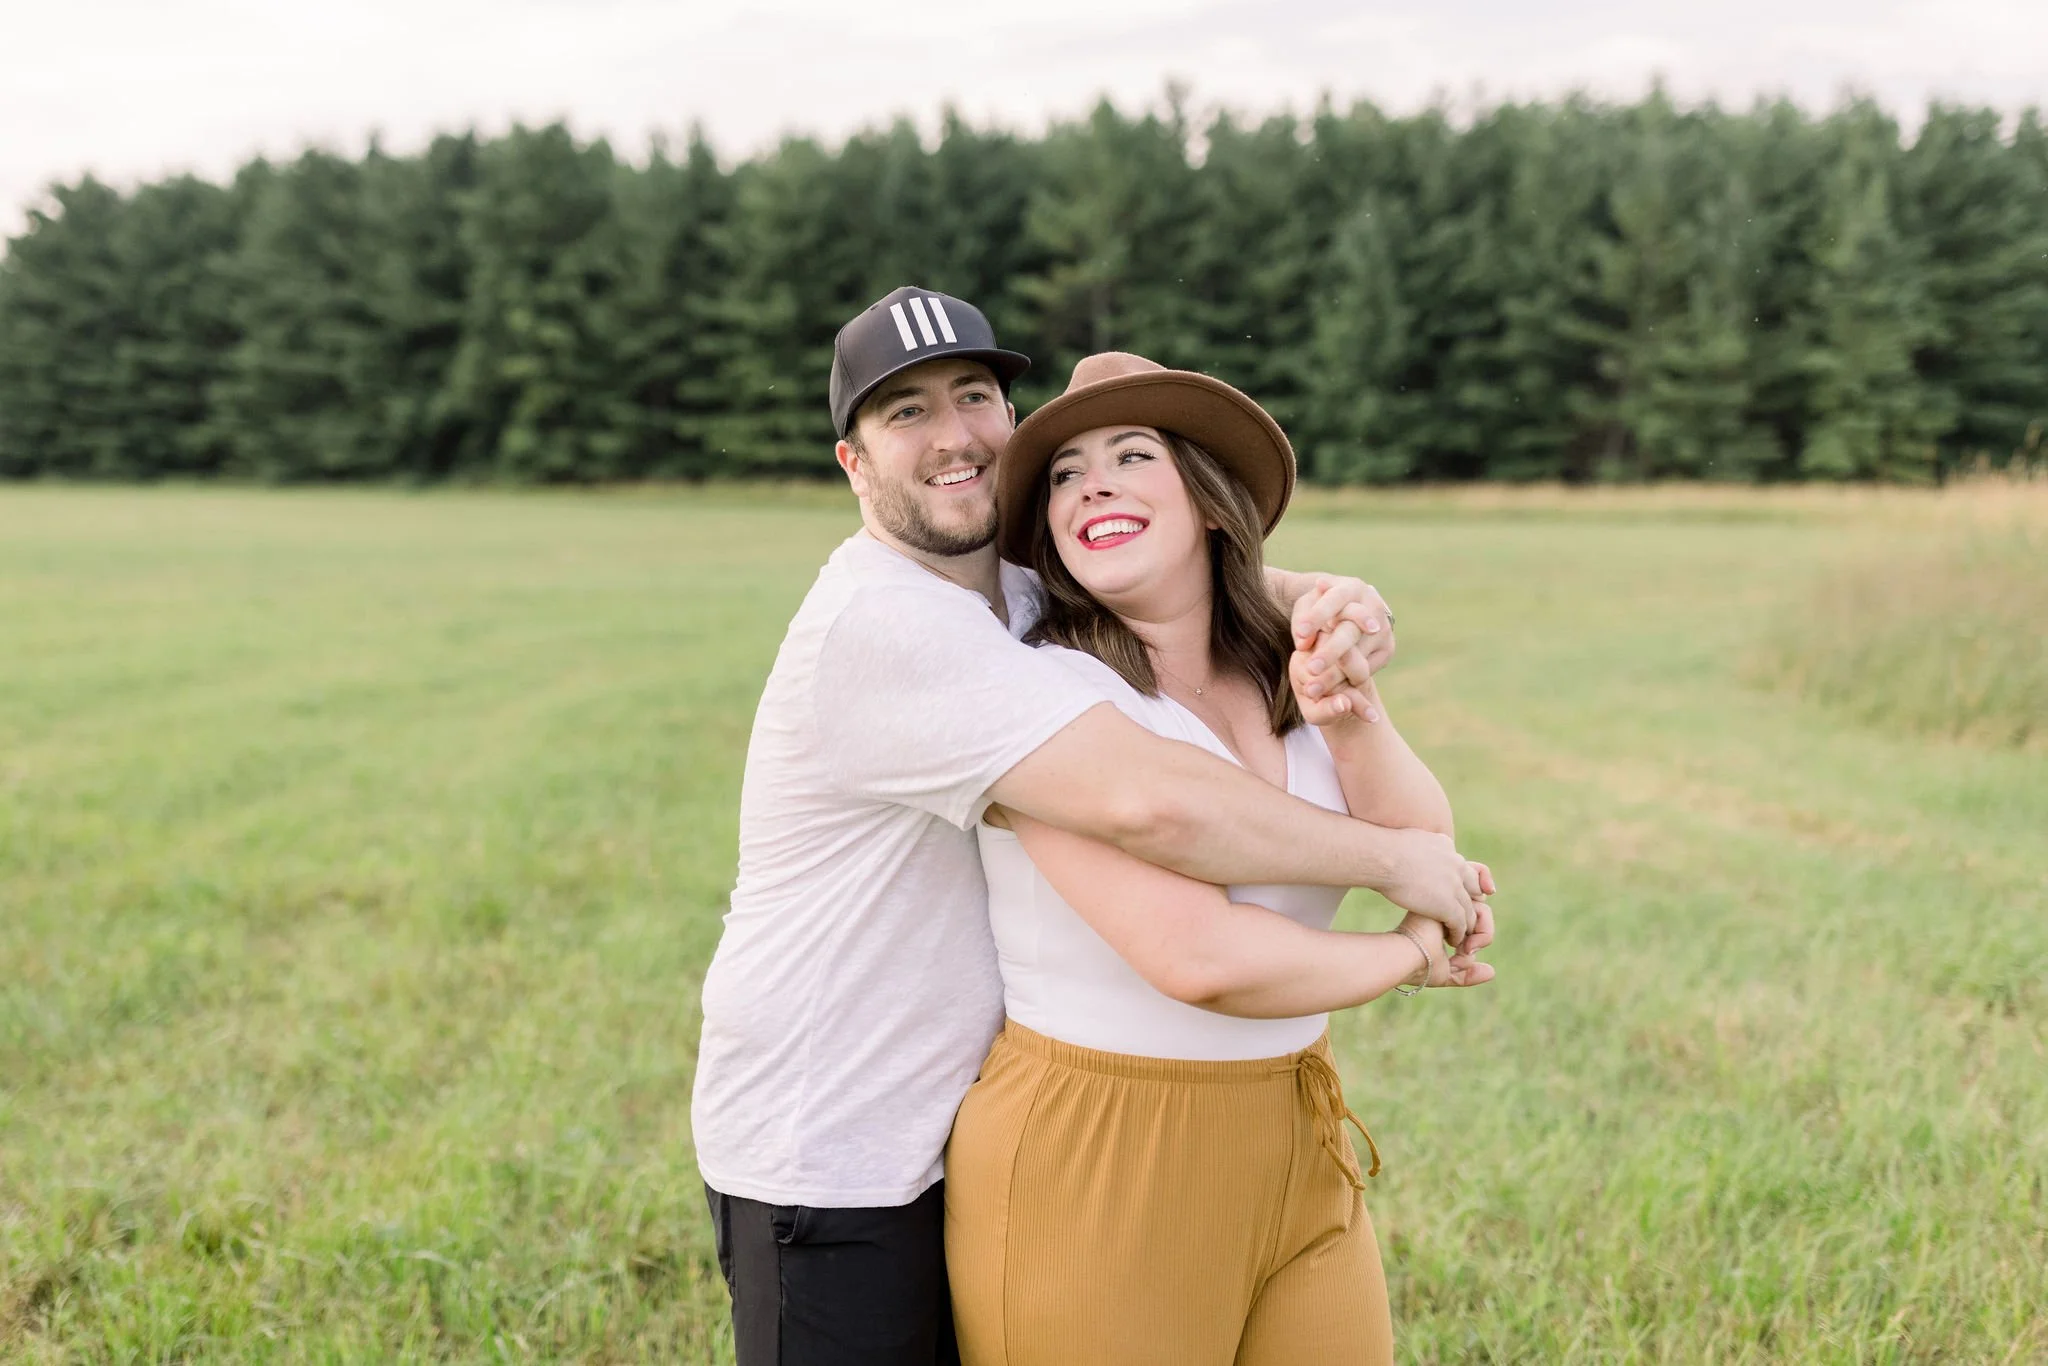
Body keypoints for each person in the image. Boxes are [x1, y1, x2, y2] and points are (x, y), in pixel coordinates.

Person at [691, 287, 1494, 1366]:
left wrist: (1335, 599)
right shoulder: (891, 628)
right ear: (852, 463)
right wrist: (1401, 896)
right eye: (904, 414)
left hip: (989, 1107)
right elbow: (1154, 811)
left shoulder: (1018, 590)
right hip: (835, 1139)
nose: (950, 436)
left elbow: (1179, 558)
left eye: (972, 395)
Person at [945, 351, 1496, 1366]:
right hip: (1099, 1148)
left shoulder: (1276, 661)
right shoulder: (1047, 701)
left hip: (1295, 1126)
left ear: (1204, 497)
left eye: (1129, 454)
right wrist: (1415, 950)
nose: (1091, 483)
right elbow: (1199, 958)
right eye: (1064, 474)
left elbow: (1420, 844)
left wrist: (1348, 714)